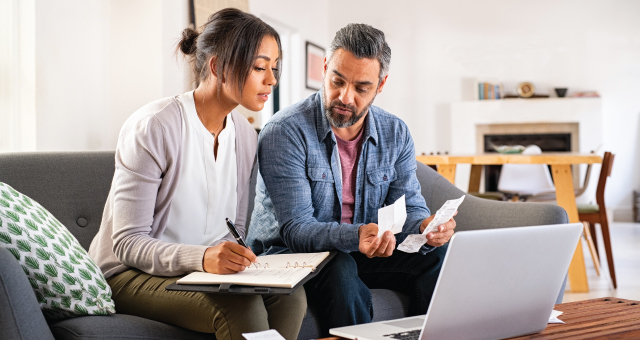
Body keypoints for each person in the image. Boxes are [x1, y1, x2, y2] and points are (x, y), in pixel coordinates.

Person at [88, 8, 306, 340]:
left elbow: (236, 228)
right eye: (260, 67)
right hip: (129, 273)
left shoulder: (247, 137)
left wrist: (235, 259)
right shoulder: (154, 126)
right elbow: (127, 244)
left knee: (291, 298)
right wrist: (203, 257)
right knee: (240, 308)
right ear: (218, 66)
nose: (271, 80)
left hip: (200, 271)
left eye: (273, 68)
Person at [247, 23, 456, 335]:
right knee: (340, 267)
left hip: (360, 249)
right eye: (337, 81)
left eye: (361, 88)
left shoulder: (395, 132)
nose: (345, 97)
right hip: (289, 256)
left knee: (437, 256)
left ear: (380, 85)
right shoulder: (285, 131)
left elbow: (411, 207)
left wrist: (426, 227)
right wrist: (358, 236)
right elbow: (296, 230)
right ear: (325, 67)